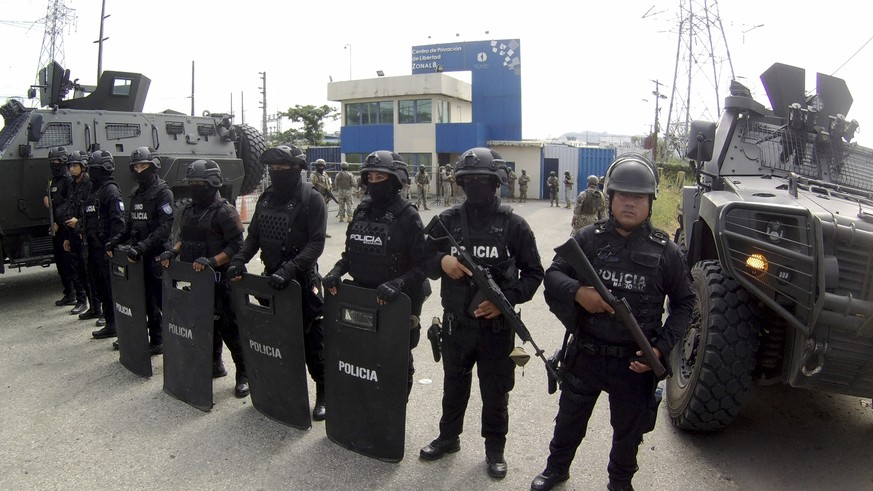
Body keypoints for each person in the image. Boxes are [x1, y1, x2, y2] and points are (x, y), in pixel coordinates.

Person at [530, 154, 695, 491]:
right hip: (587, 354)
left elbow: (685, 304)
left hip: (634, 364)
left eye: (638, 198)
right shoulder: (589, 239)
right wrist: (579, 293)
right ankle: (556, 469)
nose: (629, 204)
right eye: (622, 196)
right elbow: (553, 274)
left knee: (628, 433)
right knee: (569, 421)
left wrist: (661, 349)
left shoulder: (667, 252)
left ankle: (620, 483)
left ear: (650, 203)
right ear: (611, 198)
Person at [419, 147, 544, 480]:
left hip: (496, 329)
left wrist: (504, 299)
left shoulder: (514, 225)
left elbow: (534, 273)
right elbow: (421, 257)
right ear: (460, 183)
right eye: (468, 180)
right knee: (453, 386)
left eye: (482, 180)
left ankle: (494, 449)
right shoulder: (446, 222)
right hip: (456, 324)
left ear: (496, 183)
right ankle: (448, 439)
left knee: (496, 391)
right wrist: (441, 263)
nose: (475, 185)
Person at [227, 144, 327, 420]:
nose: (277, 173)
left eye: (283, 169)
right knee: (274, 339)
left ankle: (324, 392)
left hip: (301, 282)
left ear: (297, 170)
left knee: (311, 342)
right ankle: (281, 389)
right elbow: (254, 237)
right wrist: (239, 260)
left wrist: (292, 269)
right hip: (271, 281)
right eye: (273, 169)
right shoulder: (267, 199)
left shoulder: (312, 198)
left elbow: (316, 242)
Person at [323, 151, 429, 397]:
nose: (373, 181)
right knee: (362, 356)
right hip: (363, 299)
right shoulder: (361, 212)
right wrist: (336, 271)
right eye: (369, 176)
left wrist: (398, 283)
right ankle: (366, 410)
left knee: (397, 360)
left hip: (398, 302)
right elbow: (351, 255)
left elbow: (425, 265)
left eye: (379, 176)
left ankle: (393, 413)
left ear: (394, 180)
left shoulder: (408, 216)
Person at [159, 160, 249, 397]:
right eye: (192, 183)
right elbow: (184, 238)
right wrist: (174, 251)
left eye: (199, 183)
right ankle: (215, 365)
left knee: (230, 327)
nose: (195, 187)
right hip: (197, 280)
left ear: (212, 183)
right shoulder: (189, 210)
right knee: (205, 324)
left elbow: (237, 246)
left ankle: (244, 373)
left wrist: (213, 261)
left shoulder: (225, 211)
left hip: (222, 279)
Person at [106, 147, 173, 354]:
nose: (139, 170)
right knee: (145, 301)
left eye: (143, 165)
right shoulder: (136, 193)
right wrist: (115, 241)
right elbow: (130, 225)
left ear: (153, 167)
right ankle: (157, 340)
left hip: (156, 255)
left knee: (163, 300)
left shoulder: (163, 192)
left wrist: (143, 247)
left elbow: (165, 227)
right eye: (136, 166)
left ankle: (176, 341)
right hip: (138, 256)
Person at [83, 151, 125, 339]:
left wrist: (112, 245)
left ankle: (116, 324)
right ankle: (110, 322)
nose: (92, 172)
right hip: (93, 247)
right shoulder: (94, 190)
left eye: (95, 169)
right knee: (99, 284)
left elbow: (118, 221)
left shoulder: (110, 191)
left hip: (105, 248)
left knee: (110, 288)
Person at [46, 146, 84, 308]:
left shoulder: (68, 180)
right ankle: (68, 293)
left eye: (59, 161)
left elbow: (69, 205)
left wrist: (58, 222)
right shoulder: (53, 181)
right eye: (53, 161)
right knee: (61, 263)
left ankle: (78, 296)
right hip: (57, 227)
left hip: (67, 227)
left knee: (71, 263)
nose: (56, 164)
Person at [59, 150, 94, 316]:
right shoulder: (72, 185)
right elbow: (69, 208)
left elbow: (92, 213)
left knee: (89, 272)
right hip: (72, 234)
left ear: (83, 166)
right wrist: (67, 237)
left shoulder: (89, 185)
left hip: (84, 233)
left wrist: (79, 224)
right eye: (70, 165)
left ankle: (96, 306)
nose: (71, 169)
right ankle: (82, 301)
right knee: (77, 270)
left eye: (75, 165)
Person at [310, 159, 333, 238]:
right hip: (318, 198)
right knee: (316, 216)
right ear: (316, 166)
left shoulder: (325, 175)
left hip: (326, 198)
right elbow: (312, 187)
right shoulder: (314, 175)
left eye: (322, 166)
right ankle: (315, 233)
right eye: (319, 166)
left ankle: (323, 232)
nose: (321, 167)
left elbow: (329, 184)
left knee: (325, 216)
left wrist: (329, 192)